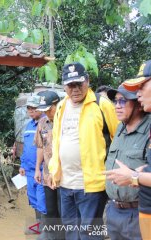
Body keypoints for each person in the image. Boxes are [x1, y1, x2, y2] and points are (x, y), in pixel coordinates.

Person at [48, 62, 118, 239]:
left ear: (87, 81)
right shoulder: (62, 106)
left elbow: (118, 138)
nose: (75, 89)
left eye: (79, 83)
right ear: (64, 85)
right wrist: (53, 170)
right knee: (70, 230)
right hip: (65, 184)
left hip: (92, 185)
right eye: (70, 85)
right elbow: (57, 140)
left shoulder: (101, 105)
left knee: (91, 233)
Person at [106, 59, 151, 239]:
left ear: (138, 105)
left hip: (138, 211)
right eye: (115, 101)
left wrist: (134, 176)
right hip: (115, 210)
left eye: (123, 101)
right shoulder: (119, 128)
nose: (117, 106)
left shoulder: (148, 128)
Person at [34, 90, 63, 240]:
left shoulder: (66, 121)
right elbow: (40, 146)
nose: (47, 112)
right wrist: (37, 169)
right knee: (51, 212)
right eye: (44, 110)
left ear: (57, 104)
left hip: (64, 176)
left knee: (65, 213)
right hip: (47, 175)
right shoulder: (42, 123)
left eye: (49, 109)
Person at [18, 95, 46, 235]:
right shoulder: (29, 125)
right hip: (29, 170)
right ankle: (39, 226)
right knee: (33, 199)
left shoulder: (46, 123)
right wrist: (22, 165)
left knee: (42, 200)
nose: (30, 111)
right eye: (29, 108)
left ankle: (46, 229)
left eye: (33, 108)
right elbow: (26, 147)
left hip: (41, 170)